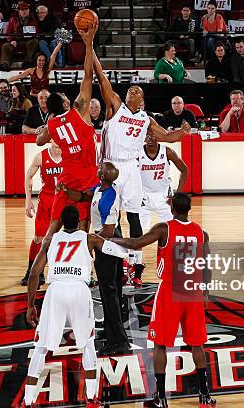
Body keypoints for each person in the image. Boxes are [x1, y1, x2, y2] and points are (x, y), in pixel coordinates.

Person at [94, 34, 191, 287]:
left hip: (132, 169)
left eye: (135, 91)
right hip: (111, 166)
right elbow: (102, 79)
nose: (131, 91)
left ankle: (136, 266)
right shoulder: (116, 106)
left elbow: (168, 136)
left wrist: (183, 131)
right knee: (108, 218)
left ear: (142, 100)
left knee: (134, 217)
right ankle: (111, 263)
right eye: (129, 90)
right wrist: (90, 47)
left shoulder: (146, 118)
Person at [109, 192, 216, 408]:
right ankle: (204, 396)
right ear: (189, 208)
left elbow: (136, 243)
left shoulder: (164, 228)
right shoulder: (201, 232)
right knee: (197, 345)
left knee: (160, 345)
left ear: (173, 208)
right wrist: (204, 292)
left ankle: (160, 397)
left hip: (170, 291)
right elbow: (207, 264)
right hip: (193, 291)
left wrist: (111, 240)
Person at [19, 205, 133, 408]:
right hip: (80, 290)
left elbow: (35, 273)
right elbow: (116, 249)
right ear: (80, 220)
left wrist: (30, 305)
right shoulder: (89, 238)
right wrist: (132, 254)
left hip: (56, 290)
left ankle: (27, 401)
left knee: (41, 347)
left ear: (61, 223)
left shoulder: (50, 240)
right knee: (87, 344)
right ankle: (91, 399)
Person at [59, 162, 131, 355]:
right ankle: (110, 332)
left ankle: (119, 341)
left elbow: (108, 230)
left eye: (101, 168)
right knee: (109, 293)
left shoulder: (110, 196)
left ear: (105, 175)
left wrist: (89, 242)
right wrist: (65, 188)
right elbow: (82, 196)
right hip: (103, 242)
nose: (98, 168)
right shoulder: (99, 188)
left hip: (108, 244)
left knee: (110, 293)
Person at [35, 22, 99, 237]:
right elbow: (88, 76)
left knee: (53, 228)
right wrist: (88, 44)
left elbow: (39, 141)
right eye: (64, 97)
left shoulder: (52, 125)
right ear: (64, 104)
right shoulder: (79, 111)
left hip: (67, 178)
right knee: (83, 225)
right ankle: (83, 265)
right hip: (87, 176)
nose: (67, 98)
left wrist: (50, 119)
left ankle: (40, 267)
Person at [20, 140, 62, 286]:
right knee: (39, 238)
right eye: (54, 138)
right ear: (50, 140)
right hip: (47, 201)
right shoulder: (41, 157)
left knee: (75, 235)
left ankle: (79, 271)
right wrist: (28, 199)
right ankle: (33, 271)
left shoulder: (70, 154)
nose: (58, 142)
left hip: (65, 200)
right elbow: (28, 176)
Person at [0, 1, 39, 70]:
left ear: (29, 10)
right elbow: (8, 32)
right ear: (19, 11)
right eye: (22, 10)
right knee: (5, 46)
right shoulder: (12, 19)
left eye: (26, 10)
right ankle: (5, 64)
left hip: (28, 40)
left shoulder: (34, 19)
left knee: (34, 41)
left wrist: (32, 36)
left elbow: (36, 32)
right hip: (16, 41)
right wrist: (11, 40)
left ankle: (27, 62)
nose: (25, 11)